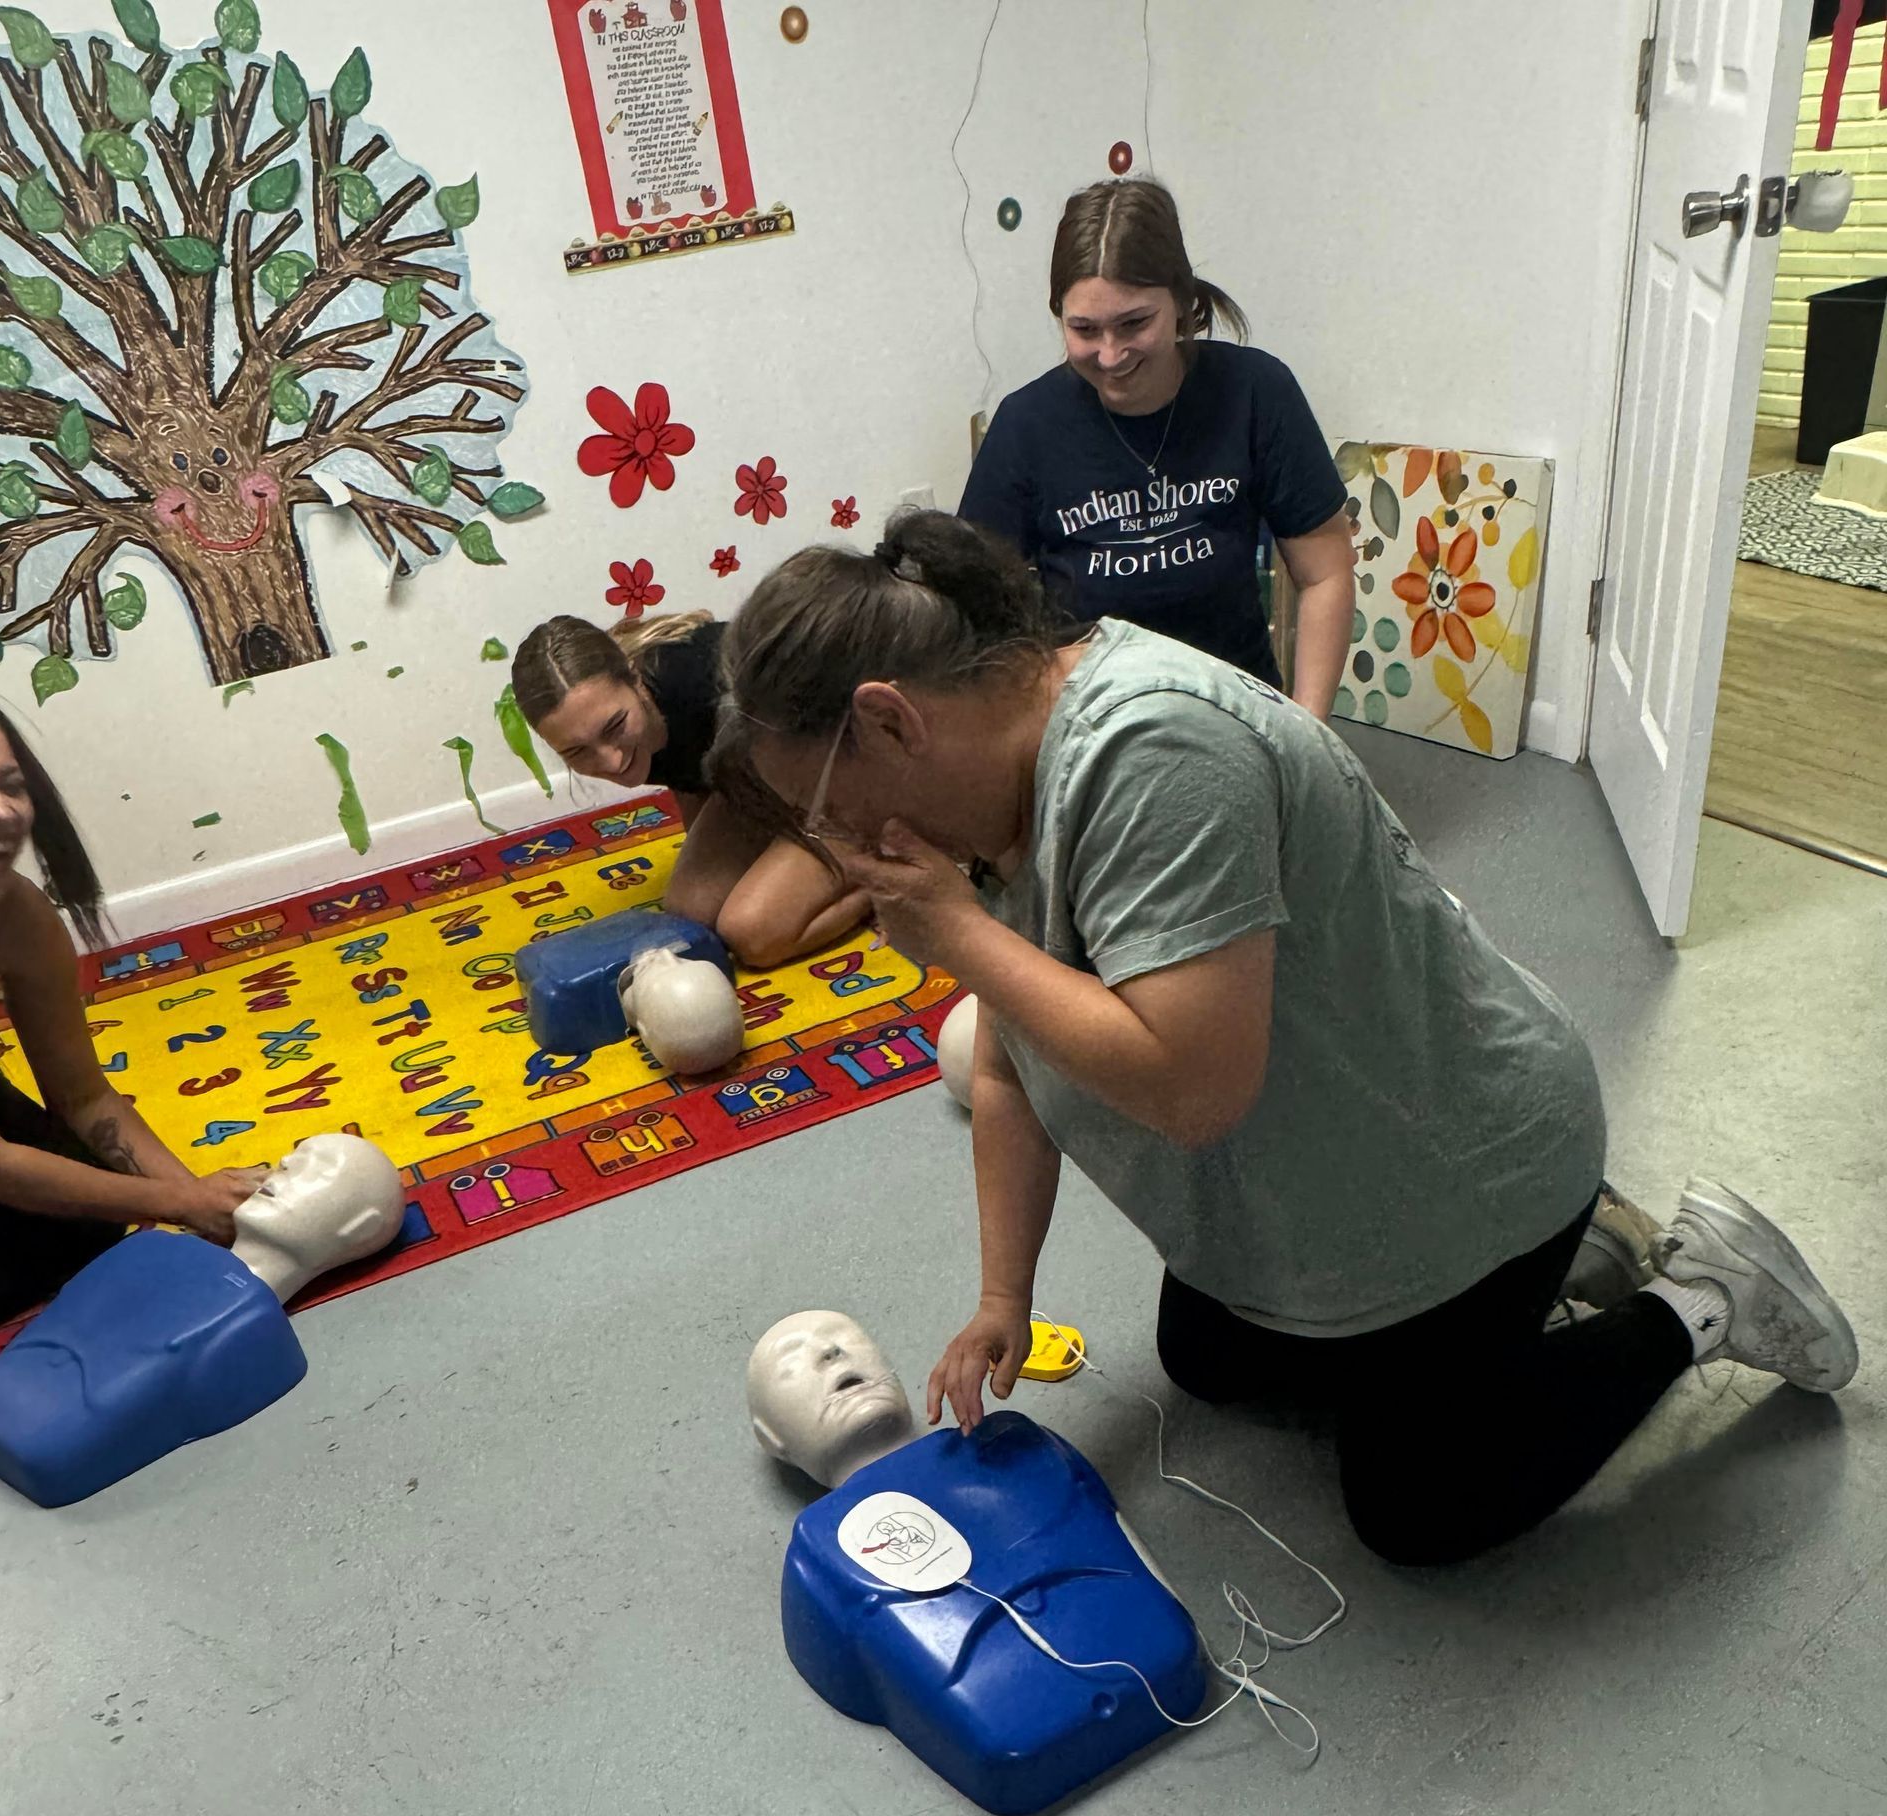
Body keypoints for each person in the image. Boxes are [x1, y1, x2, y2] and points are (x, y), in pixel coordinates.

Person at [711, 513, 1859, 1570]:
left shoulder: (1148, 753)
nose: (840, 846)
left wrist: (960, 936)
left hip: (1469, 1155)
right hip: (1351, 1152)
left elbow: (1195, 1088)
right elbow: (1012, 1061)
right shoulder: (986, 791)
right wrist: (1002, 1296)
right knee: (1208, 1357)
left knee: (1416, 1507)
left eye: (829, 811)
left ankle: (1700, 1296)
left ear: (888, 718)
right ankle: (1552, 1280)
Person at [960, 176, 1355, 718]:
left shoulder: (1257, 392)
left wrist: (1309, 735)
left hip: (1236, 711)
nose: (1110, 353)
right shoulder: (1025, 424)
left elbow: (1325, 572)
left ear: (1182, 302)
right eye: (1084, 329)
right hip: (1091, 722)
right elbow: (972, 610)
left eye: (1134, 323)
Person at [0, 691, 264, 1336]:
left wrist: (210, 1210)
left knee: (83, 1220)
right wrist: (182, 1202)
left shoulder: (17, 916)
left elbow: (83, 1095)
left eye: (10, 785)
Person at [510, 611, 871, 968]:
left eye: (615, 727)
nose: (611, 761)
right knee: (690, 917)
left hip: (849, 769)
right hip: (760, 781)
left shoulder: (715, 692)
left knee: (751, 933)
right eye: (576, 751)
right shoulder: (638, 719)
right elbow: (690, 775)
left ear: (635, 679)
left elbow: (829, 764)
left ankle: (884, 882)